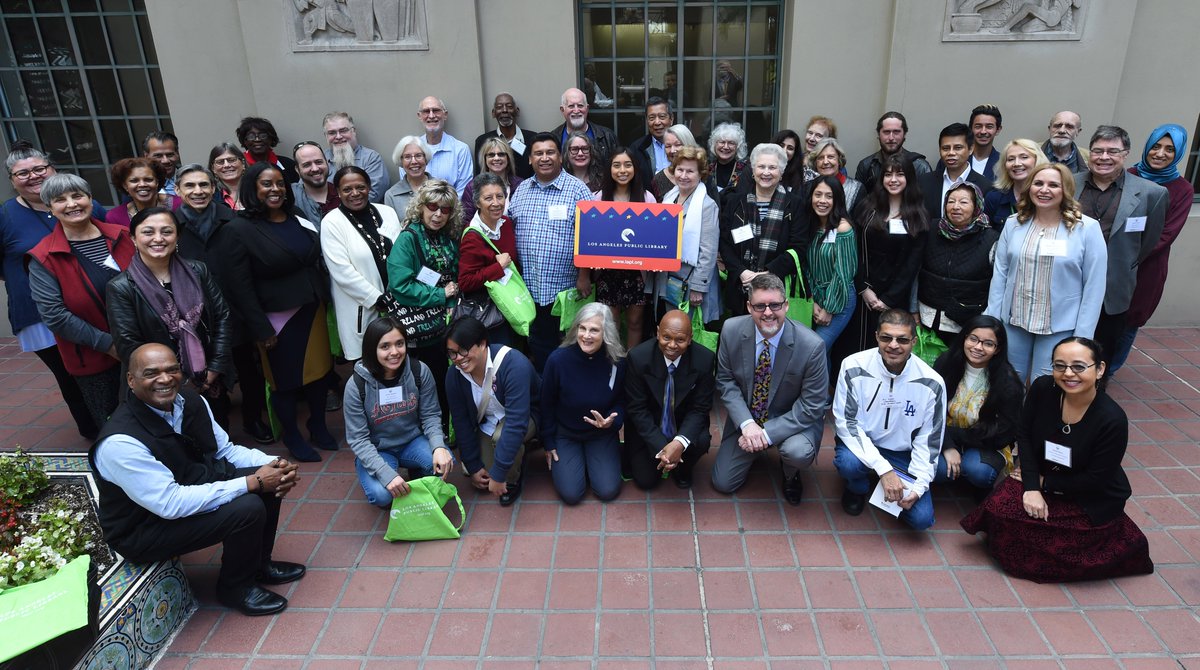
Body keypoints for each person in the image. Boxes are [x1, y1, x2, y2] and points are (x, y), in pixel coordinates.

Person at [91, 343, 305, 617]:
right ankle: (235, 588)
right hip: (143, 528)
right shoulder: (120, 443)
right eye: (151, 373)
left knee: (268, 481)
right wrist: (252, 482)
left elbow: (224, 451)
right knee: (247, 506)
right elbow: (169, 503)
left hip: (184, 488)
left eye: (172, 370)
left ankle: (259, 565)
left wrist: (274, 464)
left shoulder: (190, 401)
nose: (165, 379)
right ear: (131, 380)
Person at [961, 337, 1154, 583]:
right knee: (998, 508)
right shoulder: (1043, 388)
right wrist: (1032, 486)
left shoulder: (1112, 419)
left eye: (1079, 366)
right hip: (1044, 474)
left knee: (1062, 544)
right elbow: (1025, 434)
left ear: (1100, 369)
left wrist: (1045, 483)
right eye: (1060, 366)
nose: (1068, 374)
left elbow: (1095, 480)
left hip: (1088, 495)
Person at [219, 163, 335, 462]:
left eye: (280, 183)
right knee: (286, 382)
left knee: (319, 375)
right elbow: (239, 287)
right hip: (277, 320)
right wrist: (261, 328)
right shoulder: (237, 229)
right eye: (267, 184)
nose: (275, 189)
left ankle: (318, 426)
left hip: (312, 308)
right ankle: (292, 436)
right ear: (252, 188)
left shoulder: (296, 216)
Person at [1, 143, 104, 439]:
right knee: (69, 373)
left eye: (39, 168)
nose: (33, 176)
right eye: (23, 173)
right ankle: (93, 432)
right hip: (38, 312)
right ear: (12, 180)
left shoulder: (84, 204)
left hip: (91, 304)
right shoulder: (5, 216)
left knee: (103, 365)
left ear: (52, 168)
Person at [106, 207, 233, 424]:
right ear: (134, 238)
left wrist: (214, 368)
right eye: (148, 232)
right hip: (159, 386)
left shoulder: (198, 271)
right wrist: (177, 380)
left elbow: (222, 317)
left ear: (177, 236)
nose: (158, 238)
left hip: (208, 378)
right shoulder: (121, 287)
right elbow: (129, 344)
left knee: (215, 430)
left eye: (166, 231)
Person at [28, 174, 135, 429]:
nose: (71, 204)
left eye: (77, 195)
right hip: (94, 358)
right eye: (60, 199)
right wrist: (109, 345)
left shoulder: (124, 235)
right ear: (50, 208)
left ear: (90, 199)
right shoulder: (43, 257)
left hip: (142, 346)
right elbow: (54, 315)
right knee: (117, 427)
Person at [711, 273, 828, 504]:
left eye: (775, 305)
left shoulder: (812, 346)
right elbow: (725, 381)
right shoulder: (731, 330)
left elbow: (812, 406)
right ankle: (754, 446)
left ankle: (791, 472)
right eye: (760, 306)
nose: (768, 313)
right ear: (749, 307)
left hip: (792, 420)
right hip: (749, 417)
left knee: (797, 452)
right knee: (722, 483)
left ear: (786, 305)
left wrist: (765, 434)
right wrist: (747, 424)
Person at [985, 163, 1107, 383]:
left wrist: (1083, 335)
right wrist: (992, 318)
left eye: (1053, 185)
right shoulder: (1013, 224)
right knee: (1009, 380)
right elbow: (1001, 273)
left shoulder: (1086, 228)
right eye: (1038, 183)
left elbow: (1094, 286)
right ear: (1029, 187)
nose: (1044, 190)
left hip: (1060, 325)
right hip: (1014, 320)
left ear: (1066, 190)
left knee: (1045, 384)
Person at [833, 309, 946, 530]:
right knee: (849, 464)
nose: (893, 345)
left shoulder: (932, 382)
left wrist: (918, 488)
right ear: (876, 336)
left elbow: (929, 440)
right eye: (886, 338)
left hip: (902, 453)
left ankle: (891, 482)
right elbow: (847, 423)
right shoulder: (853, 365)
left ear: (914, 341)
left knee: (922, 520)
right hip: (862, 443)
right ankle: (858, 487)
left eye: (902, 339)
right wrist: (884, 469)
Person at [1073, 125, 1168, 367]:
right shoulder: (1068, 184)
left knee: (1101, 353)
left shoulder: (1152, 194)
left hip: (1112, 289)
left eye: (1112, 151)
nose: (1103, 157)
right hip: (1068, 283)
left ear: (1125, 154)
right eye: (1098, 151)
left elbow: (1146, 243)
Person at [833, 154, 929, 374]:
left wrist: (887, 300)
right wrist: (863, 289)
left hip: (895, 298)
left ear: (909, 178)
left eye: (900, 174)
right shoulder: (867, 207)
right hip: (862, 295)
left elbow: (912, 265)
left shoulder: (918, 215)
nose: (893, 180)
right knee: (854, 350)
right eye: (888, 174)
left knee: (889, 352)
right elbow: (853, 250)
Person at [343, 317, 454, 508]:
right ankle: (377, 473)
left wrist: (438, 447)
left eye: (399, 344)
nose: (394, 352)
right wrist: (387, 475)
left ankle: (417, 472)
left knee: (442, 462)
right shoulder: (356, 385)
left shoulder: (419, 371)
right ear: (372, 349)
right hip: (378, 449)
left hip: (413, 441)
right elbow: (358, 439)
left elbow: (430, 415)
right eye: (385, 346)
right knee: (382, 495)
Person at [510, 132, 594, 371]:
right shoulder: (522, 189)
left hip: (565, 288)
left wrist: (584, 275)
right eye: (538, 153)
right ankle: (545, 385)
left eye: (550, 152)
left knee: (569, 346)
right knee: (538, 344)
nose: (544, 158)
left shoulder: (577, 190)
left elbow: (589, 236)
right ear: (530, 159)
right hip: (529, 287)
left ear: (560, 156)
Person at [1111, 124, 1192, 372]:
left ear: (1178, 153)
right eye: (1156, 146)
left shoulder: (1182, 189)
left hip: (1146, 268)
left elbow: (1167, 234)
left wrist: (1128, 255)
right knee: (1104, 315)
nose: (1160, 153)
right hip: (1112, 261)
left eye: (1169, 149)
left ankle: (1109, 371)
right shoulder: (1127, 175)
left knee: (1129, 321)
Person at [387, 179, 461, 427]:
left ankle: (444, 431)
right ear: (421, 206)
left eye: (445, 209)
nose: (438, 214)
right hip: (419, 329)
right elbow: (400, 286)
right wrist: (441, 294)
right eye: (432, 207)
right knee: (422, 385)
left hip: (444, 324)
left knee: (443, 381)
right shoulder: (408, 238)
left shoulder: (448, 236)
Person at [444, 317, 540, 505]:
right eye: (452, 353)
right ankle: (517, 452)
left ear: (482, 344)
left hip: (526, 417)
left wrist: (500, 475)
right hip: (490, 421)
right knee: (476, 472)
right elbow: (461, 422)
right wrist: (473, 466)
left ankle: (512, 481)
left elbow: (516, 423)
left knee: (502, 447)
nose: (458, 359)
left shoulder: (513, 364)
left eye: (463, 350)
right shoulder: (454, 375)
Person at [540, 302, 626, 504]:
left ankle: (593, 462)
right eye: (582, 328)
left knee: (607, 490)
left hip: (601, 433)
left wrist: (612, 421)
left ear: (606, 333)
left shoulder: (617, 361)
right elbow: (546, 403)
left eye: (594, 330)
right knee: (571, 494)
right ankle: (580, 463)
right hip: (566, 433)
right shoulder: (558, 360)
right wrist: (548, 442)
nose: (586, 336)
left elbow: (623, 400)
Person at [623, 309, 714, 490]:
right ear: (658, 333)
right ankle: (667, 459)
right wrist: (663, 449)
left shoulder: (704, 359)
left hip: (682, 424)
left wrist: (679, 443)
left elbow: (700, 408)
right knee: (646, 481)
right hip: (651, 427)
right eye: (666, 337)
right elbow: (637, 409)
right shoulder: (638, 358)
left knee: (702, 439)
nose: (672, 345)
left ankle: (682, 468)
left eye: (680, 340)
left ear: (690, 339)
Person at [931, 315, 1023, 492]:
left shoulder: (1008, 383)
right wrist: (948, 446)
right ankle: (956, 468)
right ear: (964, 338)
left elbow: (1004, 434)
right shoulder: (946, 362)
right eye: (973, 339)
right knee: (939, 471)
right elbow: (930, 408)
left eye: (988, 343)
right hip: (945, 435)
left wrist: (954, 437)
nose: (978, 347)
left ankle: (970, 475)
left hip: (986, 443)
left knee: (979, 471)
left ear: (997, 349)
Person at [320, 165, 403, 361]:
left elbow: (402, 253)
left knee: (398, 359)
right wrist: (377, 298)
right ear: (338, 192)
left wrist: (399, 291)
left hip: (397, 303)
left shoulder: (387, 212)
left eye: (360, 187)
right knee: (369, 364)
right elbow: (341, 271)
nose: (355, 193)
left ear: (369, 187)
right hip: (363, 308)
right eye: (347, 189)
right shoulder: (331, 222)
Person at [719, 142, 806, 316]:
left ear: (781, 172)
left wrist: (768, 273)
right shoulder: (735, 202)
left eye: (772, 167)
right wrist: (742, 272)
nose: (766, 172)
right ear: (753, 171)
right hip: (741, 288)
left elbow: (799, 247)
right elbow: (724, 243)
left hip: (777, 289)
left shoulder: (795, 205)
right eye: (761, 167)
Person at [915, 182, 998, 345]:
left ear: (976, 206)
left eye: (964, 202)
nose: (956, 207)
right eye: (951, 201)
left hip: (966, 321)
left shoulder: (991, 239)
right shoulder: (932, 229)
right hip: (927, 316)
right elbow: (915, 269)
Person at [590, 147, 655, 348]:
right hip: (607, 272)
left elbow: (655, 236)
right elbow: (590, 237)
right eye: (616, 165)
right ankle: (614, 361)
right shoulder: (597, 198)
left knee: (635, 322)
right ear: (609, 169)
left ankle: (631, 363)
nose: (622, 170)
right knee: (611, 323)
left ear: (635, 168)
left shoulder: (647, 198)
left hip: (637, 272)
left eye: (628, 165)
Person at [459, 172, 522, 345]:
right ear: (477, 202)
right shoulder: (472, 236)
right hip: (490, 315)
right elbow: (465, 282)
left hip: (512, 305)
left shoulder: (506, 223)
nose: (496, 203)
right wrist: (497, 268)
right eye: (488, 198)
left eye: (499, 196)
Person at [803, 175, 858, 358]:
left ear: (837, 200)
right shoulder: (810, 225)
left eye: (829, 196)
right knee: (822, 355)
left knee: (814, 351)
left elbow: (844, 273)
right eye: (818, 194)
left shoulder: (843, 228)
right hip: (816, 298)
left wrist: (829, 308)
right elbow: (806, 267)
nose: (822, 201)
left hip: (839, 299)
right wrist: (812, 301)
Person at [917, 122, 993, 220]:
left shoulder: (985, 186)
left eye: (958, 148)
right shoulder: (923, 182)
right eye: (945, 148)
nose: (951, 153)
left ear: (971, 149)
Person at [853, 111, 933, 192]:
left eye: (896, 132)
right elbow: (859, 198)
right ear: (878, 134)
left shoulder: (920, 166)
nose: (891, 138)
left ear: (904, 134)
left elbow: (927, 197)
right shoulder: (866, 165)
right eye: (886, 132)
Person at [322, 111, 389, 202]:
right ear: (326, 136)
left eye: (343, 130)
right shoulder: (320, 161)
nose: (338, 136)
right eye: (332, 133)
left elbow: (373, 195)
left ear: (353, 131)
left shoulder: (371, 158)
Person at [982, 138, 1048, 226]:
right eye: (1011, 159)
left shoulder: (1048, 195)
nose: (1016, 163)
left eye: (1024, 157)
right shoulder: (994, 198)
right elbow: (986, 231)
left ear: (1037, 160)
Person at [417, 96, 473, 192]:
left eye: (436, 110)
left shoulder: (461, 150)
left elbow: (463, 191)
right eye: (426, 111)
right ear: (419, 116)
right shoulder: (410, 151)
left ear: (445, 115)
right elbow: (408, 189)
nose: (431, 115)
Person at [106, 157, 181, 229]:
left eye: (148, 180)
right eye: (134, 181)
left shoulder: (180, 205)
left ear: (157, 182)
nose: (142, 184)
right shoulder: (115, 217)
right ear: (125, 186)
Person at [473, 92, 534, 180]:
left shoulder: (532, 139)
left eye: (509, 106)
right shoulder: (483, 141)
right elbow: (480, 175)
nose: (504, 110)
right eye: (499, 107)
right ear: (493, 113)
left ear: (517, 111)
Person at [460, 137, 521, 223]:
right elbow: (466, 220)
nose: (496, 158)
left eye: (501, 154)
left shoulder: (520, 185)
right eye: (491, 155)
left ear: (508, 158)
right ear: (485, 159)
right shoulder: (472, 186)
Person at [552, 87, 619, 165]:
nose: (576, 111)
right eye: (571, 106)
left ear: (587, 108)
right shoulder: (554, 138)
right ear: (562, 110)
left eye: (580, 106)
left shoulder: (607, 136)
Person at [806, 137, 863, 211]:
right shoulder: (807, 188)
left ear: (839, 160)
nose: (825, 162)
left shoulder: (856, 189)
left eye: (830, 157)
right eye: (821, 158)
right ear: (815, 163)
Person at [237, 116, 299, 184]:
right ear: (244, 141)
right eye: (251, 136)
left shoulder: (289, 165)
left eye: (263, 136)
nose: (257, 139)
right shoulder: (237, 166)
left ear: (271, 138)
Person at [291, 140, 340, 224]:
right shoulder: (292, 198)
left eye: (318, 162)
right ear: (297, 170)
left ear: (327, 163)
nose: (315, 169)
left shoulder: (342, 193)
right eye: (307, 165)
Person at [649, 124, 703, 200]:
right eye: (668, 146)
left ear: (689, 144)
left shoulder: (703, 175)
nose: (672, 150)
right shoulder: (658, 179)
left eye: (677, 145)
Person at [383, 135, 431, 217]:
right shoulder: (391, 195)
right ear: (401, 161)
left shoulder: (442, 188)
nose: (414, 161)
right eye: (407, 157)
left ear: (425, 158)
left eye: (418, 155)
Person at [629, 97, 675, 176]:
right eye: (652, 118)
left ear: (671, 119)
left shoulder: (684, 145)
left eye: (662, 116)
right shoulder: (637, 148)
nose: (657, 122)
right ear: (647, 121)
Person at [708, 122, 748, 198]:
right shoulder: (707, 169)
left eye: (731, 143)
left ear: (738, 147)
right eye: (722, 142)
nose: (726, 147)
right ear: (714, 145)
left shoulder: (746, 170)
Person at [967, 104, 1003, 181]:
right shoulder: (957, 159)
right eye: (978, 126)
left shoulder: (1004, 163)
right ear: (970, 128)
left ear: (998, 130)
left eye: (989, 127)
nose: (983, 131)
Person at [209, 143, 247, 210]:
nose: (226, 165)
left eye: (231, 160)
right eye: (220, 162)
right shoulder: (210, 198)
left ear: (243, 163)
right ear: (213, 169)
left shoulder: (257, 190)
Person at [143, 131, 180, 196]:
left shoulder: (193, 178)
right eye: (158, 156)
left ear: (177, 154)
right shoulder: (139, 185)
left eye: (170, 155)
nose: (165, 161)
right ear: (146, 156)